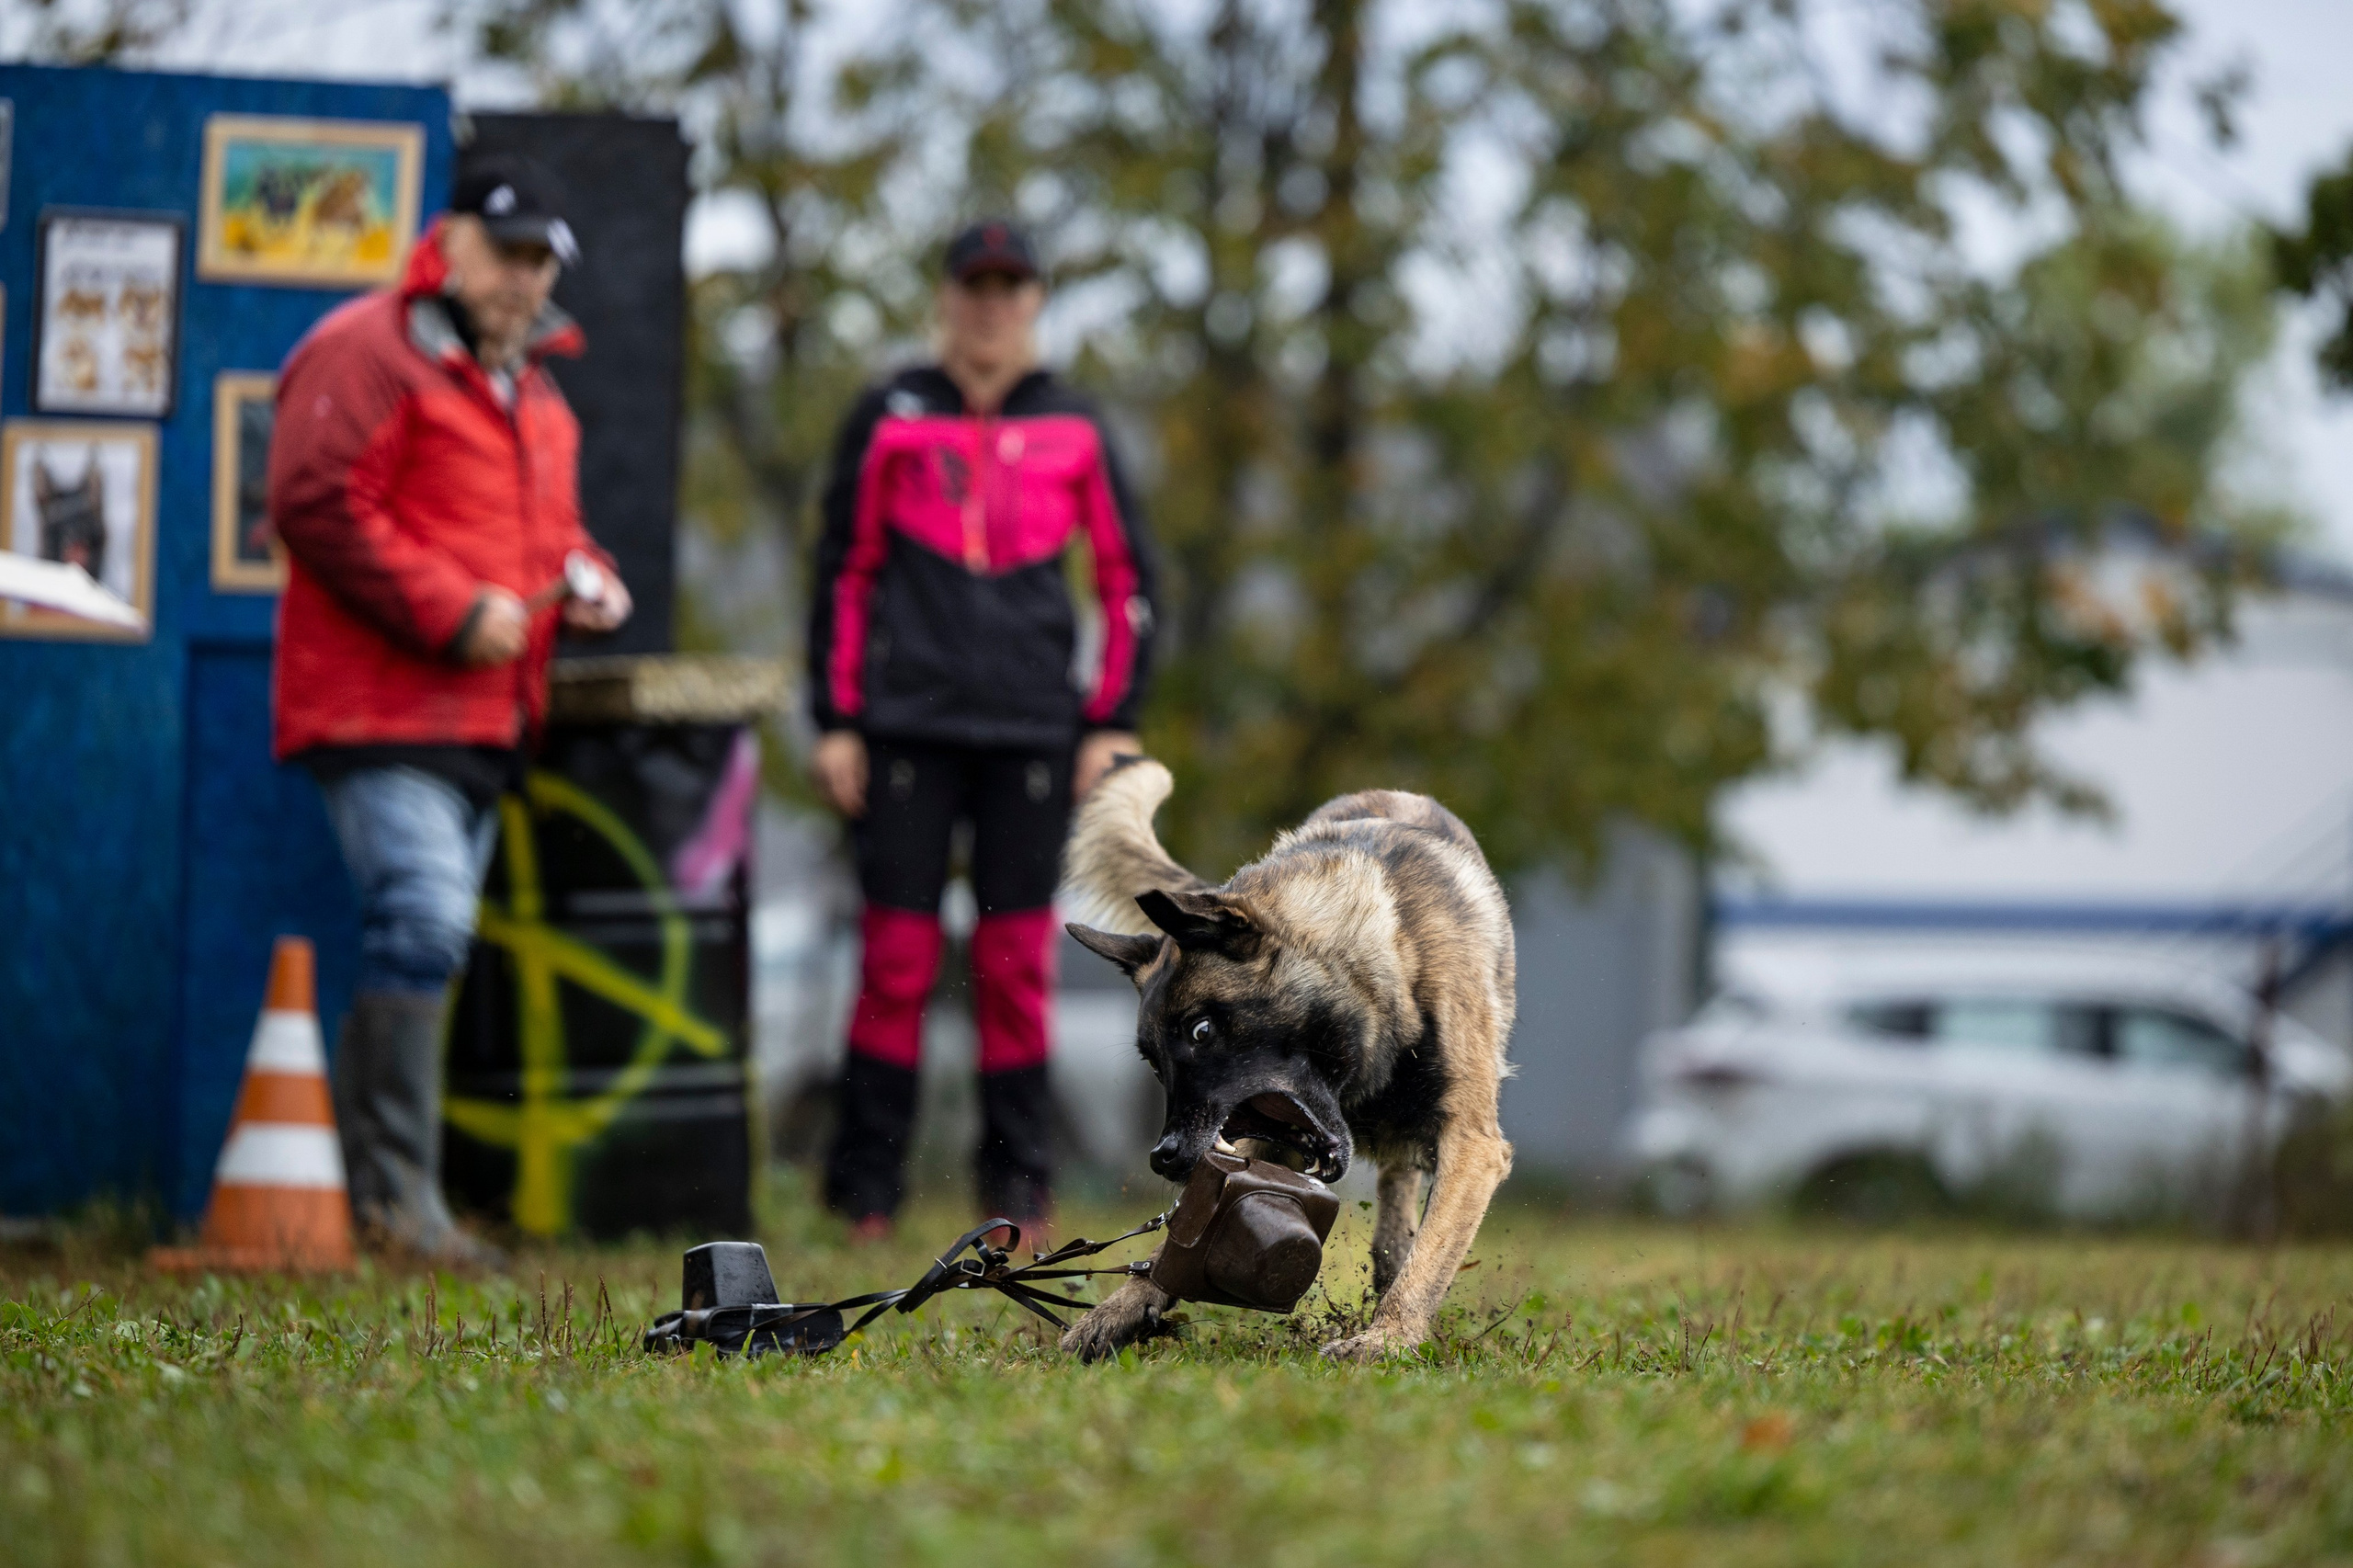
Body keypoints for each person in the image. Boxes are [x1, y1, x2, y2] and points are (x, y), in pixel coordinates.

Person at [268, 154, 631, 1263]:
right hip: (378, 709)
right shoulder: (365, 350)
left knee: (430, 936)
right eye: (506, 251)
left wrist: (589, 576)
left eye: (539, 260)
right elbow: (311, 498)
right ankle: (397, 1210)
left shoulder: (541, 398)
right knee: (424, 920)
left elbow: (548, 538)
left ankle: (394, 1202)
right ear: (451, 240)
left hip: (484, 724)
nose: (523, 279)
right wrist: (451, 608)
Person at [808, 218, 1159, 1239]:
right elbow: (842, 571)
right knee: (896, 960)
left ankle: (1017, 1191)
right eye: (975, 287)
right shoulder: (888, 412)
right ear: (946, 296)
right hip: (905, 728)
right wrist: (836, 720)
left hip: (1031, 735)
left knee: (1013, 963)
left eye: (1011, 288)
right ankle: (862, 1192)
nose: (991, 307)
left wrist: (1113, 719)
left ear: (1036, 302)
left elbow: (1130, 579)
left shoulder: (1078, 426)